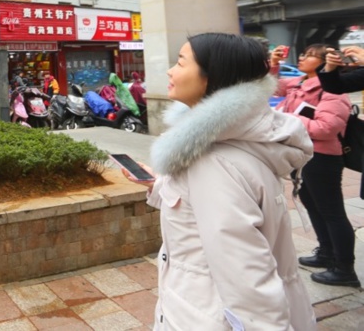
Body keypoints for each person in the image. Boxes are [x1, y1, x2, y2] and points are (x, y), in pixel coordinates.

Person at [126, 33, 316, 329]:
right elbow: (200, 209)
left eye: (180, 62)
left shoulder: (212, 162)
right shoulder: (228, 147)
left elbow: (248, 279)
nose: (170, 71)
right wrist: (158, 184)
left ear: (212, 76)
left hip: (203, 316)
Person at [271, 44, 359, 287]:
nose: (302, 58)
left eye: (309, 55)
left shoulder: (332, 90)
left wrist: (288, 120)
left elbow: (326, 128)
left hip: (322, 158)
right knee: (312, 204)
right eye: (303, 54)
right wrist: (274, 64)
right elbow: (268, 88)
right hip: (302, 155)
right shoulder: (299, 83)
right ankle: (326, 252)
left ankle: (344, 269)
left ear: (323, 63)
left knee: (332, 211)